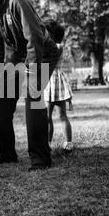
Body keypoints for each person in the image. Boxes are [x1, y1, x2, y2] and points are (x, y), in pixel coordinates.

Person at [0, 0, 60, 171]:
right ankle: (6, 153)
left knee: (33, 99)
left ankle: (40, 159)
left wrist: (31, 69)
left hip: (42, 54)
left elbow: (34, 37)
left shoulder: (17, 2)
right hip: (16, 57)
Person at [42, 19, 74, 152]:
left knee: (62, 115)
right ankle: (48, 143)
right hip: (49, 81)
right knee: (47, 116)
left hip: (55, 80)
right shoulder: (50, 46)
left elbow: (47, 56)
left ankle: (68, 142)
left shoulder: (58, 47)